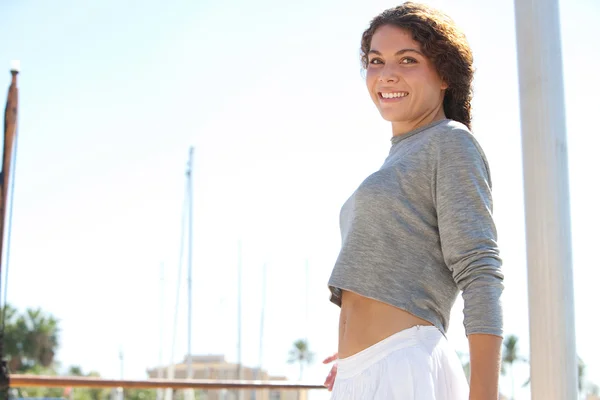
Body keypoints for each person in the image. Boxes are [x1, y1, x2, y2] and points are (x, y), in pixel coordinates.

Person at [323, 2, 504, 399]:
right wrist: (356, 359)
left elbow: (480, 270)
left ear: (444, 74)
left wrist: (485, 394)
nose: (387, 74)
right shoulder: (402, 155)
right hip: (369, 371)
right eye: (375, 60)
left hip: (401, 368)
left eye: (407, 59)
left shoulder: (450, 142)